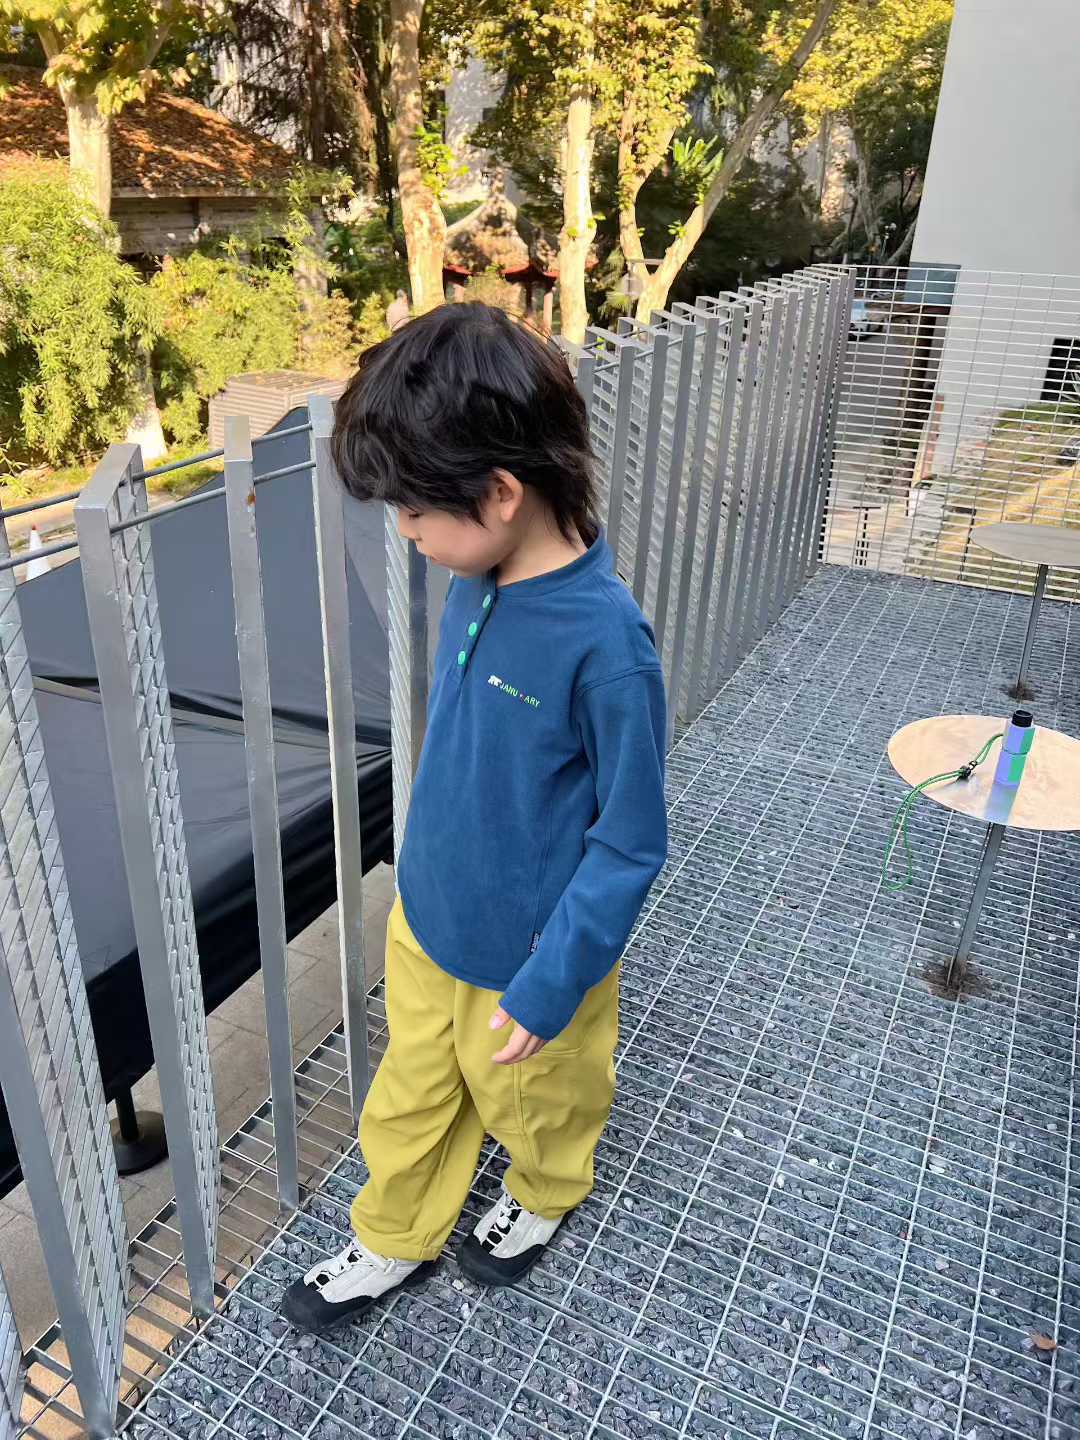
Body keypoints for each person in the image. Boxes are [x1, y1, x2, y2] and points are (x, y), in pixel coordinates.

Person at [282, 303, 667, 1333]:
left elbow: (632, 840)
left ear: (500, 493)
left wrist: (554, 982)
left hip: (530, 957)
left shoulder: (608, 649)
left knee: (538, 1103)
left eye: (413, 513)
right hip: (430, 915)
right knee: (410, 1091)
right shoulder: (477, 576)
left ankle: (543, 1194)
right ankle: (394, 1235)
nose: (405, 534)